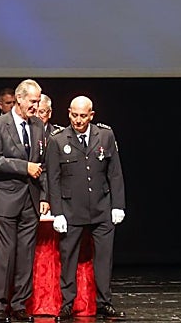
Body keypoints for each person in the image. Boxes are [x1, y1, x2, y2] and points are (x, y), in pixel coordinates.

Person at [47, 97, 126, 321]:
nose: (78, 120)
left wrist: (118, 205)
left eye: (83, 116)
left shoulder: (105, 136)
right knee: (68, 259)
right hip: (71, 209)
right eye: (74, 115)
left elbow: (115, 173)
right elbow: (53, 178)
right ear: (68, 113)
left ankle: (104, 302)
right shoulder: (57, 139)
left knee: (103, 259)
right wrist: (57, 212)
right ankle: (67, 303)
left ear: (91, 115)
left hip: (102, 208)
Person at [0, 79, 49, 323]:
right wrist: (25, 167)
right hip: (6, 198)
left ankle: (19, 304)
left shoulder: (38, 126)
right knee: (5, 254)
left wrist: (45, 196)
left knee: (26, 255)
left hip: (31, 200)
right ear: (19, 98)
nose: (36, 106)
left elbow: (44, 164)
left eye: (38, 101)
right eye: (32, 101)